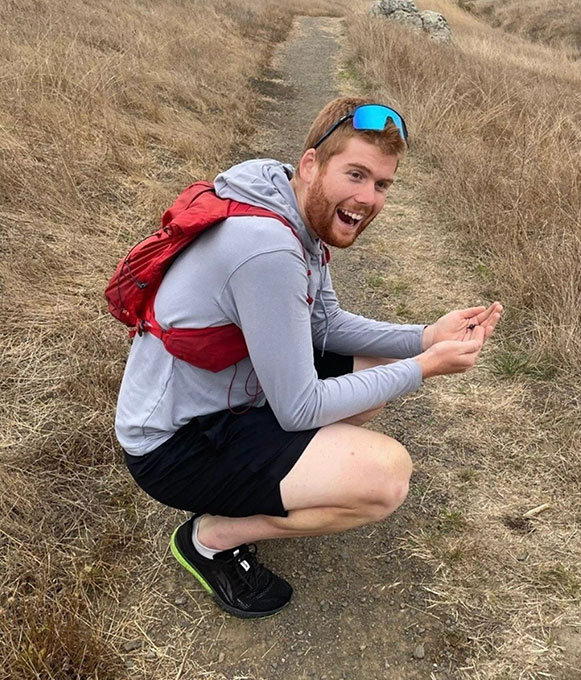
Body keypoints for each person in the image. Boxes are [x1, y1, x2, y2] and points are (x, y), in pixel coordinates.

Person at [115, 96, 502, 619]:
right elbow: (299, 407)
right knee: (384, 480)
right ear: (311, 164)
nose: (367, 199)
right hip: (174, 443)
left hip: (227, 396)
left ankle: (267, 480)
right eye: (357, 174)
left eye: (382, 184)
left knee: (370, 374)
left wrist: (426, 335)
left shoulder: (289, 203)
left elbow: (327, 324)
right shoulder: (269, 250)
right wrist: (424, 367)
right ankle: (210, 538)